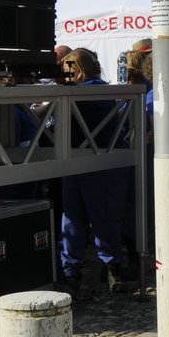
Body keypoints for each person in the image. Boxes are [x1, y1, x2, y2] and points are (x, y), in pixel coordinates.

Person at [56, 48, 131, 297]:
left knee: (81, 217)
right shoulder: (101, 91)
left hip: (90, 161)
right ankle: (108, 267)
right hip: (94, 161)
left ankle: (77, 270)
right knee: (94, 217)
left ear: (78, 69)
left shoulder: (90, 92)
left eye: (69, 71)